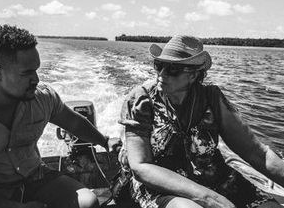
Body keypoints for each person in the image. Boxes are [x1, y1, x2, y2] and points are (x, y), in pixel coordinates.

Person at [0, 24, 110, 208]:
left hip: (33, 178)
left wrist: (104, 141)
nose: (36, 79)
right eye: (26, 73)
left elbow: (73, 122)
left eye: (36, 70)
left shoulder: (42, 98)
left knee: (87, 203)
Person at [119, 35, 284, 208]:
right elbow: (141, 166)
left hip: (214, 178)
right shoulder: (141, 100)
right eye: (159, 65)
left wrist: (212, 195)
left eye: (173, 69)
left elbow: (256, 153)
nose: (162, 73)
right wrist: (207, 198)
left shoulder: (211, 99)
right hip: (159, 185)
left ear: (193, 75)